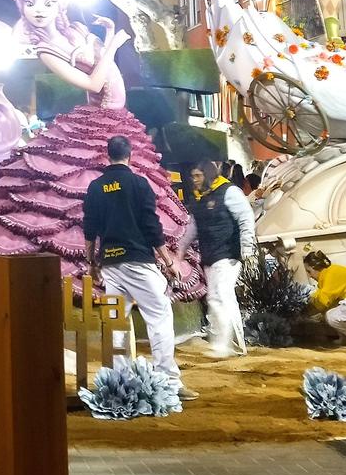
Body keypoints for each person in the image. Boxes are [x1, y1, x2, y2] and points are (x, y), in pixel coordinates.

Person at [83, 134, 194, 400]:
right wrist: (168, 262)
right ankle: (168, 380)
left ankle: (120, 382)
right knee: (159, 315)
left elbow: (89, 228)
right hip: (137, 261)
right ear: (129, 155)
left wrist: (92, 263)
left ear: (107, 155)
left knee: (117, 322)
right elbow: (151, 227)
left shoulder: (96, 187)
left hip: (110, 262)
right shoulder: (139, 184)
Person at [183, 158, 254, 358]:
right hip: (210, 254)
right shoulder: (199, 197)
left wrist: (247, 247)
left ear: (208, 173)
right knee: (216, 298)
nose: (194, 180)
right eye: (192, 176)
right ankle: (235, 345)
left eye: (198, 175)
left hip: (228, 253)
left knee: (222, 296)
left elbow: (246, 217)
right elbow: (193, 227)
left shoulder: (229, 191)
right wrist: (181, 250)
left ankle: (224, 345)